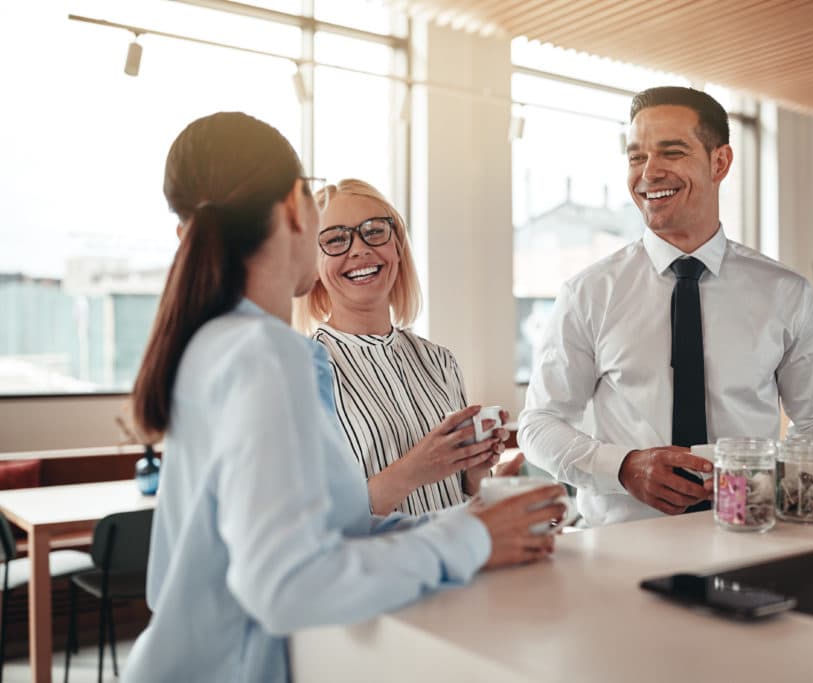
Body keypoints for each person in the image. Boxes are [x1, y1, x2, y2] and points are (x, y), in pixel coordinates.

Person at [123, 112, 564, 682]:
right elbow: (287, 583)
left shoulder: (219, 343)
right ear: (293, 209)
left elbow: (333, 531)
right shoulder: (265, 354)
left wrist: (478, 521)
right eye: (333, 231)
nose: (357, 249)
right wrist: (470, 537)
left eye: (376, 232)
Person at [519, 86, 813, 528]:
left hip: (751, 537)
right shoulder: (588, 293)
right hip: (620, 549)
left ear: (720, 162)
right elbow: (540, 424)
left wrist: (764, 475)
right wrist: (623, 467)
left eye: (670, 152)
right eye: (636, 157)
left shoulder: (785, 293)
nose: (649, 172)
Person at [295, 179, 522, 517]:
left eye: (374, 232)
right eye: (335, 240)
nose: (359, 249)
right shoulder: (302, 373)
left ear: (397, 248)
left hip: (460, 562)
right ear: (312, 266)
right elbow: (318, 521)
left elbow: (464, 501)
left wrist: (477, 473)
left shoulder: (440, 361)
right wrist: (413, 470)